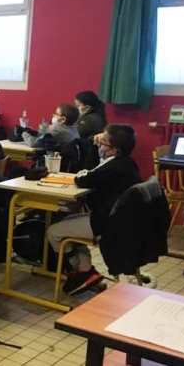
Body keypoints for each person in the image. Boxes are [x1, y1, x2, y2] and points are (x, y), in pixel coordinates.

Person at [47, 125, 141, 295]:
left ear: (114, 150)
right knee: (68, 223)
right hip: (120, 220)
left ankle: (78, 271)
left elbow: (83, 178)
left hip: (107, 224)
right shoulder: (128, 163)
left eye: (102, 142)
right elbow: (92, 175)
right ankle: (86, 270)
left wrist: (92, 150)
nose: (98, 144)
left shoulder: (113, 166)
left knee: (53, 232)